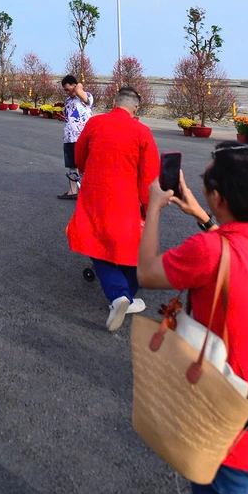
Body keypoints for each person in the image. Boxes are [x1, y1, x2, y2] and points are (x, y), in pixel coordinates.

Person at [138, 142, 248, 494]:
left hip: (226, 435)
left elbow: (147, 272)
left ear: (220, 199)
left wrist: (153, 207)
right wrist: (200, 211)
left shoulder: (207, 252)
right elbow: (237, 246)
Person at [66, 86, 159, 330]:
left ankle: (119, 296)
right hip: (127, 199)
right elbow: (149, 176)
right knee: (132, 247)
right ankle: (124, 295)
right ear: (136, 108)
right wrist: (149, 208)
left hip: (95, 195)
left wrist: (87, 170)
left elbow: (79, 156)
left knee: (96, 243)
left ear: (114, 102)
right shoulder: (142, 132)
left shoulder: (96, 123)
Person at [57, 74, 94, 198]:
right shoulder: (68, 101)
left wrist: (78, 87)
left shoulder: (86, 96)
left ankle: (89, 191)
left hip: (82, 137)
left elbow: (79, 91)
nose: (67, 92)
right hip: (69, 137)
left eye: (68, 89)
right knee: (71, 164)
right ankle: (73, 190)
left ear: (75, 86)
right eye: (65, 90)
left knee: (86, 164)